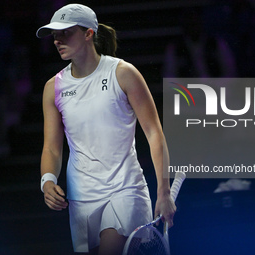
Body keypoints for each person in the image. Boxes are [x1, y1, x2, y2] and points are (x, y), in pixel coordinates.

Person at [36, 4, 176, 255]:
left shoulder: (123, 73)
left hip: (124, 190)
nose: (57, 40)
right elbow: (52, 148)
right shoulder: (53, 87)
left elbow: (154, 132)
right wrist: (47, 181)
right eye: (54, 34)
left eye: (65, 32)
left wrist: (163, 192)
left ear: (89, 33)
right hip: (81, 196)